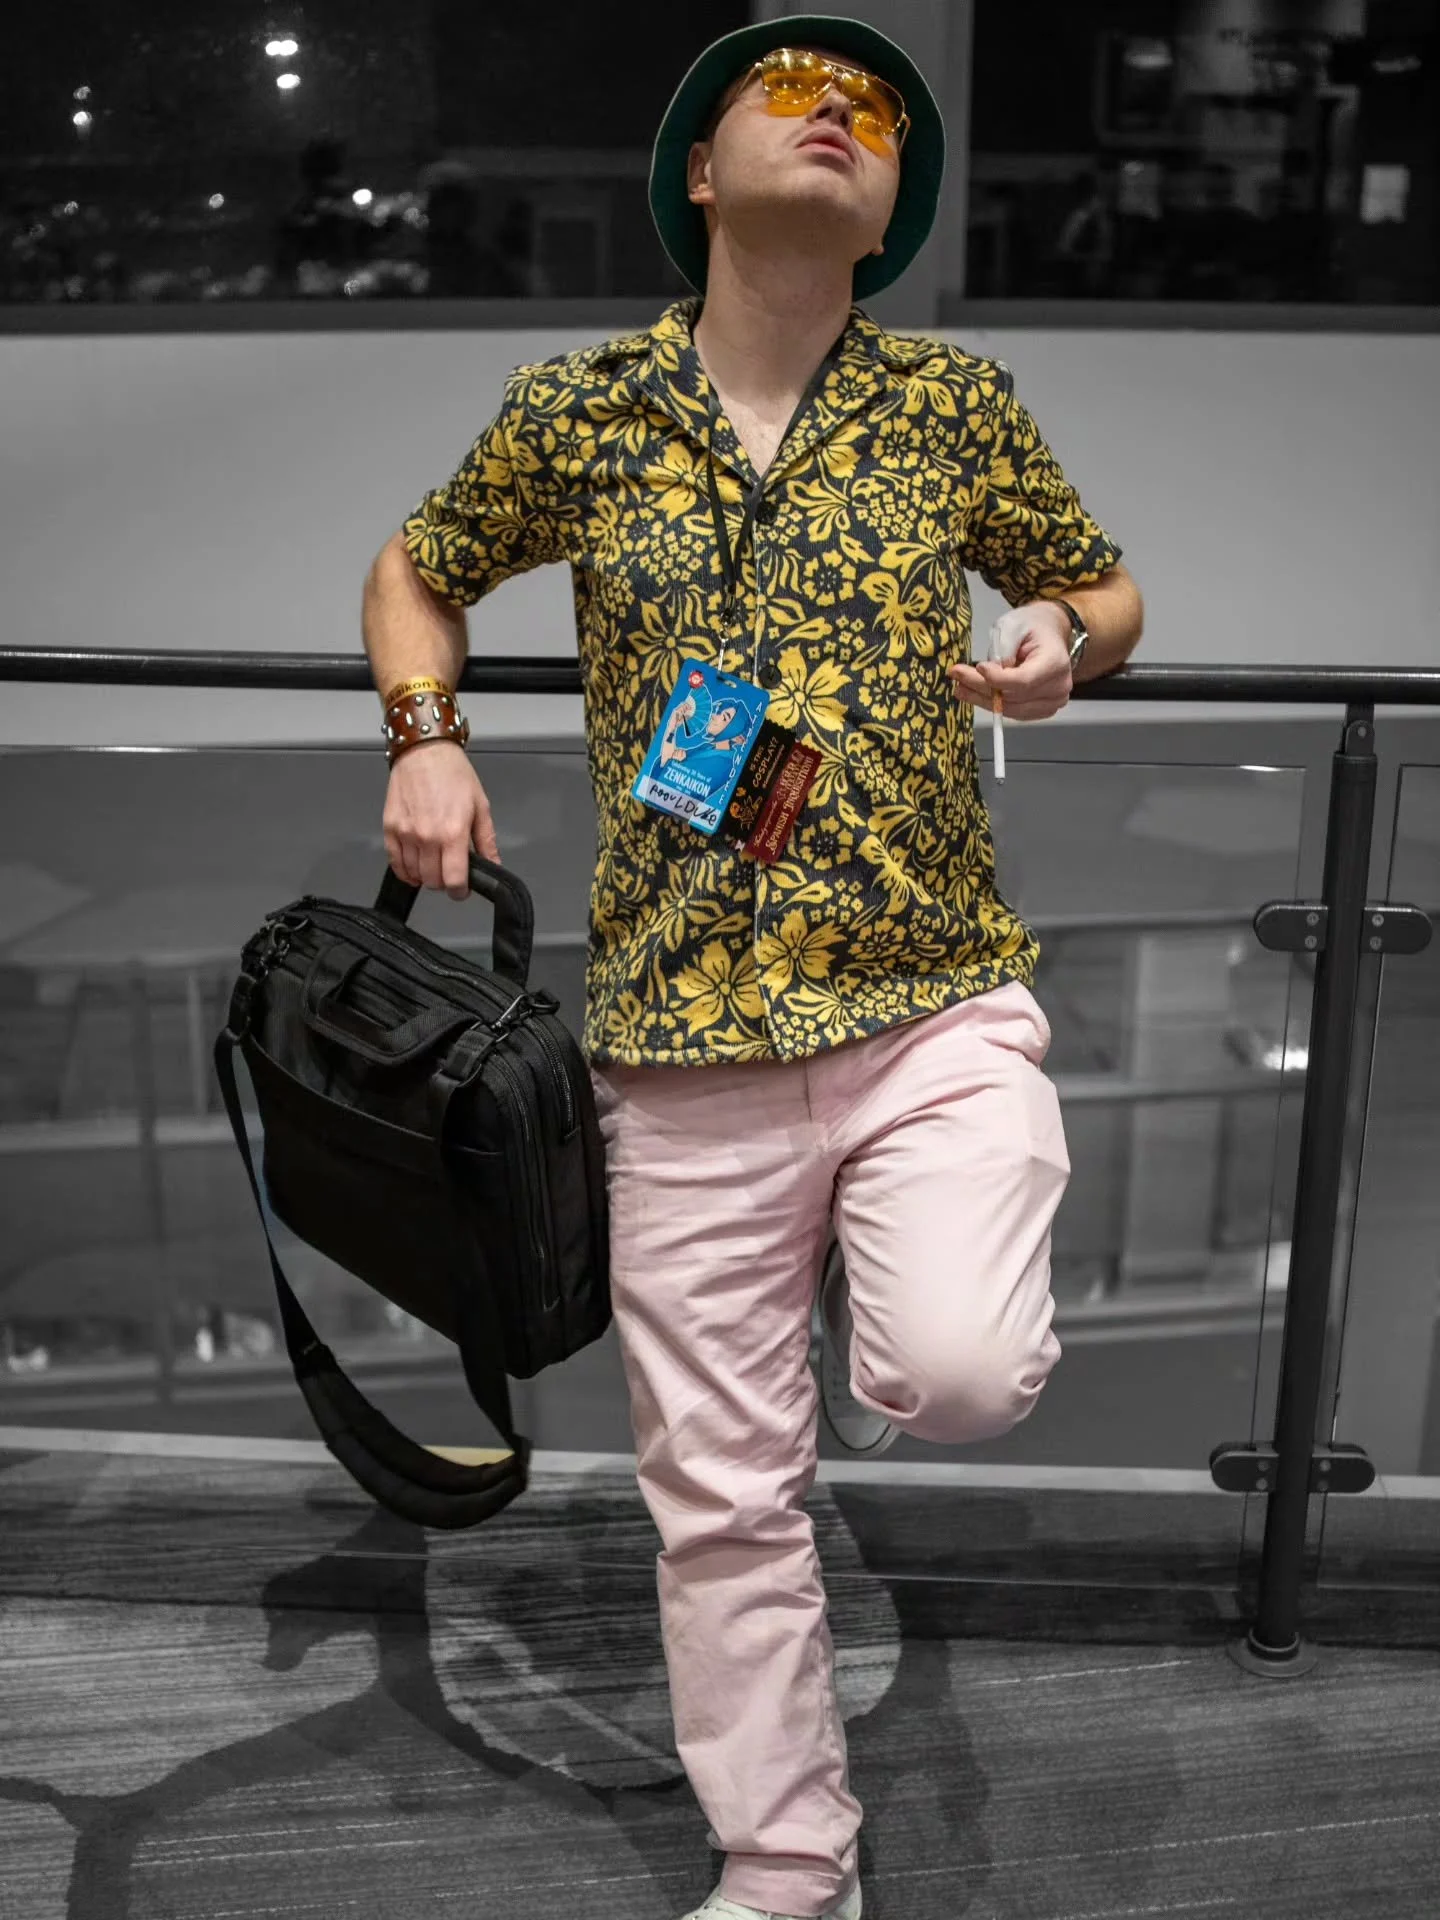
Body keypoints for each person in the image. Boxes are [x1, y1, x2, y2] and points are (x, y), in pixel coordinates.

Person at [361, 16, 1144, 1918]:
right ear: (700, 176)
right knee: (719, 1507)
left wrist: (1060, 631)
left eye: (874, 110)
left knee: (958, 1373)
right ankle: (789, 1863)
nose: (841, 111)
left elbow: (1105, 586)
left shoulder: (955, 405)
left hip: (929, 1000)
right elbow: (418, 568)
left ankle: (872, 1291)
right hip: (680, 1042)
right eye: (792, 90)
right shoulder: (580, 411)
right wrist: (425, 738)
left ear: (890, 211)